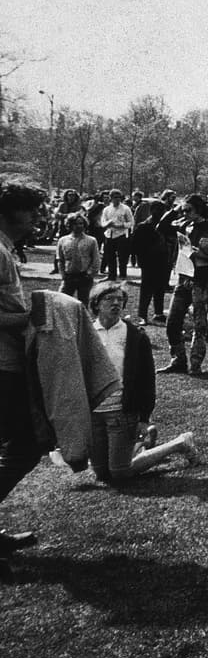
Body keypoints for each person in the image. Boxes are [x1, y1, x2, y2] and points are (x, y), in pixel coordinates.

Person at [86, 282, 199, 483]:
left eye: (119, 299)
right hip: (94, 413)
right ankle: (142, 444)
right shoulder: (86, 335)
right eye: (109, 299)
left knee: (120, 472)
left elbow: (147, 379)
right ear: (96, 304)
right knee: (102, 474)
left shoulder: (136, 335)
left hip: (122, 411)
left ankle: (180, 442)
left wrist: (144, 417)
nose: (115, 304)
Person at [0, 181, 47, 578]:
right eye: (28, 209)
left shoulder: (5, 248)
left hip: (10, 361)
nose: (34, 216)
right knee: (26, 444)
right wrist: (34, 318)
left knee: (23, 444)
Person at [158, 194, 208, 377]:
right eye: (183, 210)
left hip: (202, 280)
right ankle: (178, 359)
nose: (185, 213)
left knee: (200, 324)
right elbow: (162, 227)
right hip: (183, 278)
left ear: (199, 209)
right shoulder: (183, 225)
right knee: (172, 321)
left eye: (188, 210)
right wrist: (175, 210)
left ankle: (195, 363)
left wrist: (203, 254)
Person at [131, 201, 170, 324]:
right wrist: (141, 260)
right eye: (157, 210)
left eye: (162, 211)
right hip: (148, 261)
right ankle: (142, 315)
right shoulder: (143, 226)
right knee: (146, 289)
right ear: (152, 210)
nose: (160, 213)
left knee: (160, 287)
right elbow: (135, 246)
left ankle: (158, 313)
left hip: (162, 260)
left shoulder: (165, 226)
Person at [54, 213, 100, 304]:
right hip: (69, 276)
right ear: (70, 225)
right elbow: (60, 259)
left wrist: (90, 273)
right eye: (75, 224)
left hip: (84, 276)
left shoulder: (91, 240)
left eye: (81, 223)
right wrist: (63, 274)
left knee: (83, 302)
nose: (79, 226)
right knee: (63, 301)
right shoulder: (63, 240)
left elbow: (96, 259)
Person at [98, 189, 134, 281]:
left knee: (122, 257)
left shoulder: (125, 209)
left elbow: (131, 222)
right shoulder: (107, 209)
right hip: (109, 235)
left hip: (121, 235)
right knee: (109, 256)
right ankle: (111, 275)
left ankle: (122, 275)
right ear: (111, 198)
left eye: (119, 197)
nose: (117, 199)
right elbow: (103, 222)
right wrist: (107, 224)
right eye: (115, 197)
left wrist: (121, 225)